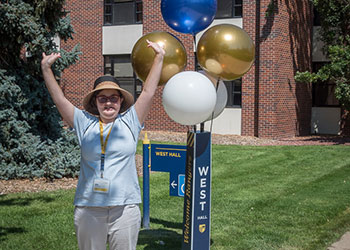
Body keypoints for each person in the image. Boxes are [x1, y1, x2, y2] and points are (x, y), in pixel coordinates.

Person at [41, 40, 165, 250]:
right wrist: (46, 68)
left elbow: (148, 93)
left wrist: (159, 58)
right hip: (89, 208)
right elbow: (59, 99)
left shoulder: (131, 121)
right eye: (103, 98)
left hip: (124, 208)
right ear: (95, 102)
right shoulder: (83, 122)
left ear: (120, 101)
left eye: (113, 98)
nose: (108, 102)